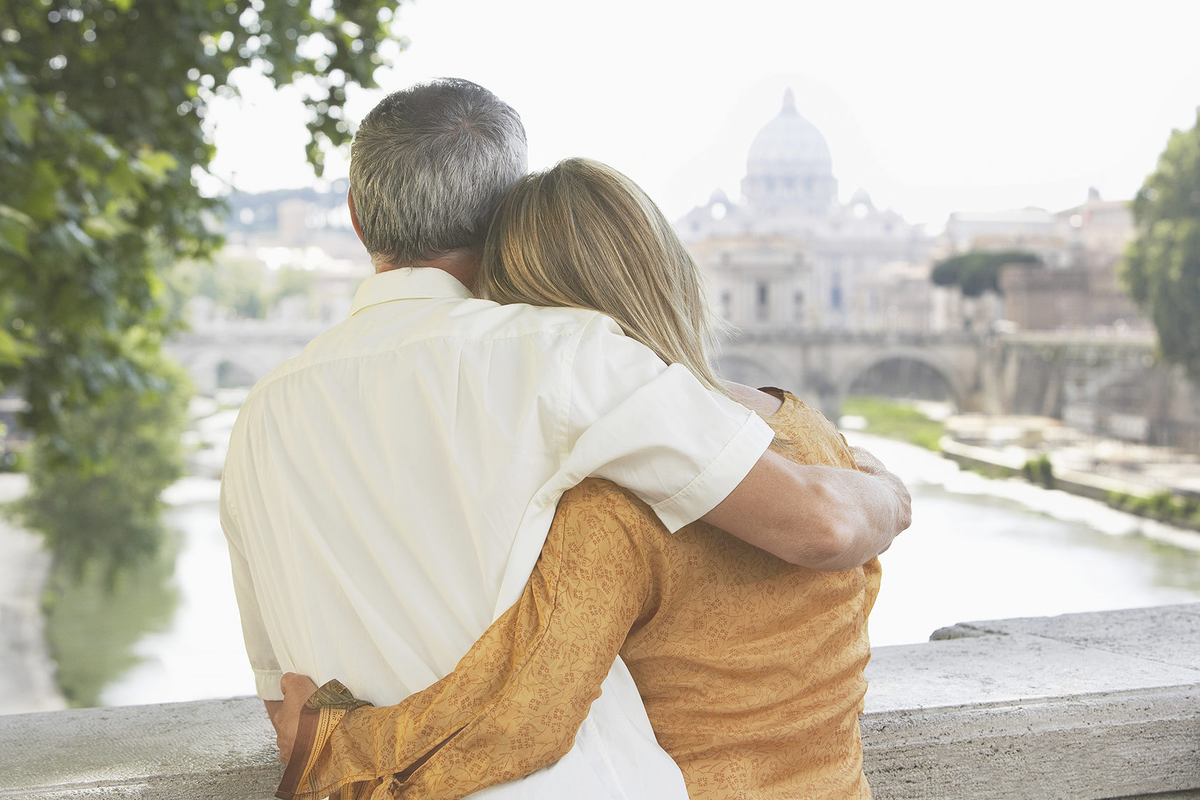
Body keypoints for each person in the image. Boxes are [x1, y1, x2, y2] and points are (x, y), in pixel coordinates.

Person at [221, 80, 909, 800]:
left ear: (357, 218)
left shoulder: (258, 417)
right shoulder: (568, 356)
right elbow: (822, 523)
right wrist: (888, 491)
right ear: (503, 215)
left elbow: (284, 700)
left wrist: (339, 749)